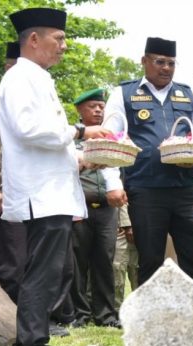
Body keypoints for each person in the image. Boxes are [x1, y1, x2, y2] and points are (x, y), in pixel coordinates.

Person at [0, 7, 109, 346]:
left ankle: (39, 343)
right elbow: (30, 129)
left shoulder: (39, 78)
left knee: (52, 272)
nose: (63, 46)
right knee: (41, 273)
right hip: (39, 194)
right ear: (33, 39)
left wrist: (81, 158)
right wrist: (80, 132)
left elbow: (48, 141)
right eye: (58, 39)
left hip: (52, 191)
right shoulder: (19, 79)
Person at [104, 37, 193, 287]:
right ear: (144, 61)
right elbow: (111, 139)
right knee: (151, 259)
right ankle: (150, 322)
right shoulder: (124, 93)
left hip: (186, 189)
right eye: (160, 62)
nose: (166, 68)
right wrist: (113, 182)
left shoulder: (187, 94)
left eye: (171, 63)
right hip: (145, 189)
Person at [70, 88, 123, 328]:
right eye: (92, 106)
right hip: (78, 206)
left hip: (106, 208)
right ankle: (79, 314)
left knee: (105, 260)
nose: (98, 110)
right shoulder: (70, 137)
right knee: (77, 262)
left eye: (101, 107)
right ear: (80, 110)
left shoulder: (113, 137)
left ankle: (106, 315)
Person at [0, 42, 27, 304]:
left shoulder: (36, 101)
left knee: (30, 261)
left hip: (32, 194)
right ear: (8, 67)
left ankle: (31, 319)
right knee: (8, 264)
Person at [112, 203, 138, 309]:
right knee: (117, 269)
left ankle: (141, 308)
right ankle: (116, 309)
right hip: (117, 227)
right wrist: (127, 224)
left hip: (139, 224)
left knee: (136, 270)